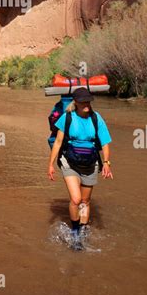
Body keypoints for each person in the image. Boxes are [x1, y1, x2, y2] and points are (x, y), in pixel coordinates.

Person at [47, 87, 113, 245]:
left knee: (85, 201)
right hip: (69, 162)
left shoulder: (96, 118)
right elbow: (58, 142)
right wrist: (50, 165)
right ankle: (75, 232)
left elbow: (105, 143)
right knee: (76, 199)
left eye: (88, 101)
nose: (87, 104)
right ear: (75, 102)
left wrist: (106, 163)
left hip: (90, 163)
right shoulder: (67, 117)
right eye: (83, 101)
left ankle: (82, 231)